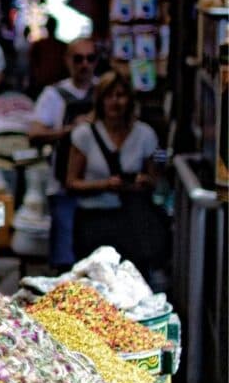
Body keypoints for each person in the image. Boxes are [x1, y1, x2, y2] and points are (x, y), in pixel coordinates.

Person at [65, 71, 166, 276]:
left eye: (120, 95)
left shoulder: (145, 134)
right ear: (100, 101)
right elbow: (72, 182)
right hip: (93, 221)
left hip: (132, 223)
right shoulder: (85, 135)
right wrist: (104, 185)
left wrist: (141, 182)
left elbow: (155, 179)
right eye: (109, 96)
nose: (115, 102)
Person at [28, 37, 98, 270]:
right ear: (67, 61)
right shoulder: (53, 95)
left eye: (90, 58)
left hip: (101, 189)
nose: (84, 64)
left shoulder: (105, 92)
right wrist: (70, 130)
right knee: (65, 259)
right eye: (78, 59)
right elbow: (34, 133)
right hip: (63, 187)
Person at [28, 15, 68, 98]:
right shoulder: (62, 45)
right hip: (47, 82)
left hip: (48, 82)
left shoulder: (40, 44)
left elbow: (33, 63)